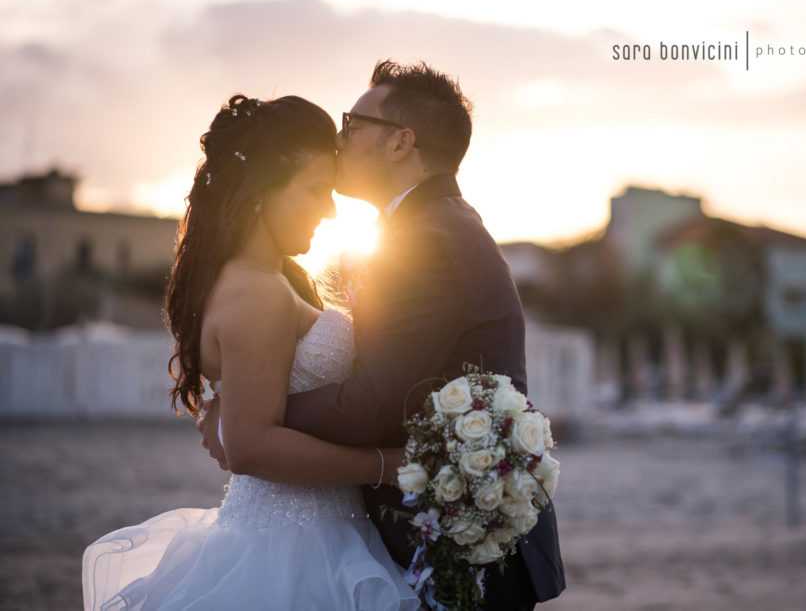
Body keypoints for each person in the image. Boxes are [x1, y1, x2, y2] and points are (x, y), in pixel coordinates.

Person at [200, 60, 566, 610]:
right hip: (450, 531)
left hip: (459, 547)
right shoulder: (432, 225)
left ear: (401, 143)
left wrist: (247, 415)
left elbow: (377, 400)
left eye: (353, 124)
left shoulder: (423, 240)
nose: (340, 137)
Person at [82, 94, 419, 611]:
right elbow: (250, 448)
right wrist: (385, 465)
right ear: (262, 193)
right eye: (314, 190)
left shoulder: (266, 279)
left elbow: (251, 410)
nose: (329, 210)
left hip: (306, 532)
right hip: (293, 548)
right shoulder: (256, 293)